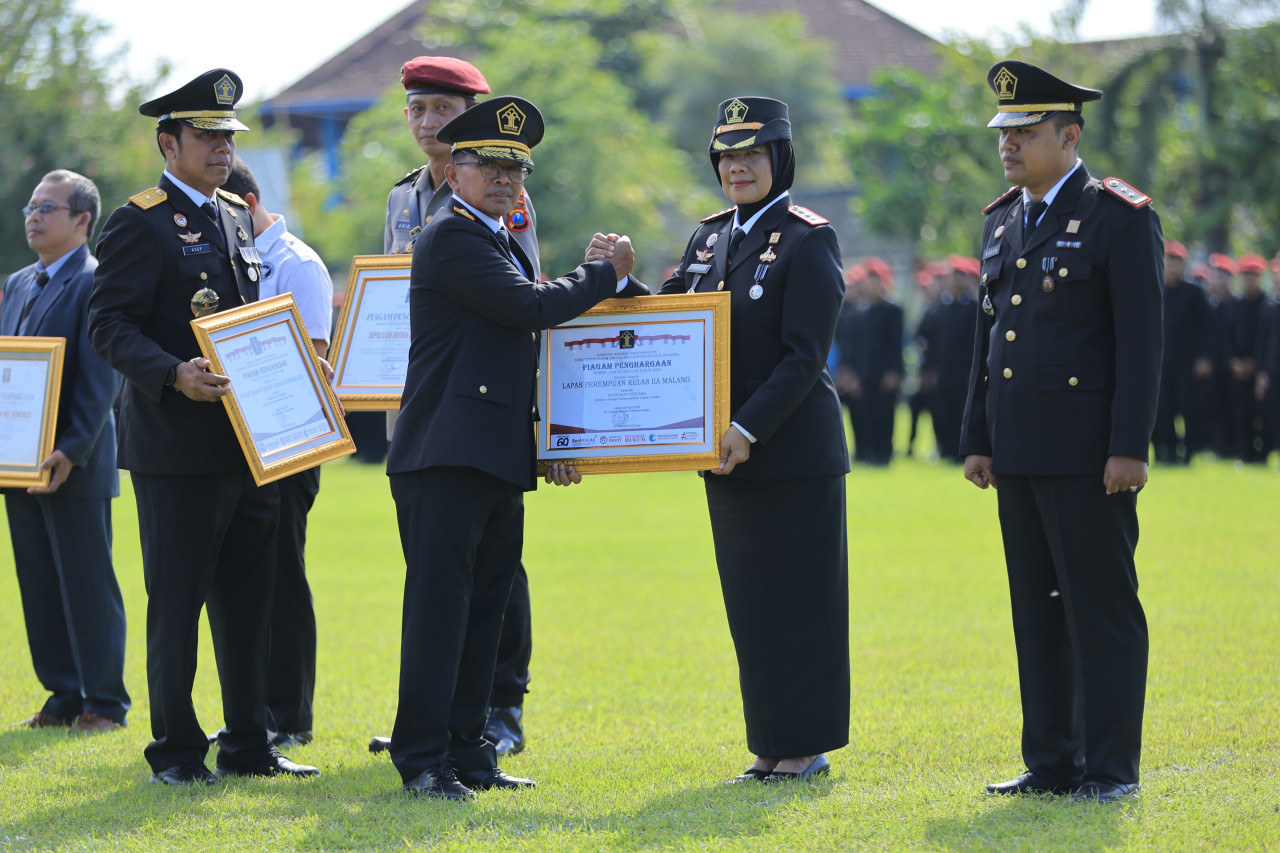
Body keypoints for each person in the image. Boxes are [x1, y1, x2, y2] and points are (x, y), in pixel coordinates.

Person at [385, 96, 640, 799]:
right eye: (488, 165)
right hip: (443, 453)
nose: (503, 179)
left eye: (515, 169)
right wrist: (603, 273)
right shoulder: (450, 235)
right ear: (456, 171)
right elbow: (531, 308)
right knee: (442, 614)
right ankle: (422, 756)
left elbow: (525, 338)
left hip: (490, 451)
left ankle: (469, 751)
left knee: (484, 613)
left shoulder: (492, 236)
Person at [88, 69, 318, 786]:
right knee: (179, 600)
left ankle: (250, 742)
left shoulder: (235, 215)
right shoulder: (138, 219)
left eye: (228, 136)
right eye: (207, 135)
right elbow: (107, 325)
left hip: (247, 443)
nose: (222, 148)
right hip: (176, 448)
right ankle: (178, 751)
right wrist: (171, 371)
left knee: (251, 599)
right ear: (169, 141)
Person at [961, 61, 1163, 804]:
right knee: (1037, 607)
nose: (1009, 144)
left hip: (1088, 453)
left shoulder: (1119, 214)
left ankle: (1110, 769)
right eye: (1005, 131)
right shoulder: (1003, 217)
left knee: (1099, 608)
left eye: (1025, 130)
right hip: (1018, 448)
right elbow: (990, 340)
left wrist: (1130, 445)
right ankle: (1051, 761)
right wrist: (976, 435)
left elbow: (1142, 343)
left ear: (1069, 135)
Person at [650, 96, 850, 783]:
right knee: (753, 604)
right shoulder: (706, 238)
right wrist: (614, 285)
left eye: (752, 154)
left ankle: (808, 744)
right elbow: (670, 322)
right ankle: (769, 744)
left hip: (790, 453)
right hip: (722, 455)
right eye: (727, 156)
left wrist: (746, 425)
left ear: (779, 159)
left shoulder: (807, 237)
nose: (738, 167)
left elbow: (804, 355)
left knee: (802, 602)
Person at [368, 54, 538, 759]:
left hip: (486, 415)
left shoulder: (502, 202)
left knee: (490, 581)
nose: (428, 123)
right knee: (442, 587)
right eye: (419, 110)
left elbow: (525, 305)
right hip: (430, 413)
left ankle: (494, 709)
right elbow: (387, 303)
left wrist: (541, 423)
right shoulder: (404, 199)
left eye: (443, 110)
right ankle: (436, 732)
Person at [4, 170, 129, 734]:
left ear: (82, 221)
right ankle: (62, 694)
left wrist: (71, 450)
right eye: (31, 206)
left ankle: (104, 702)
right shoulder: (16, 284)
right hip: (18, 460)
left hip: (73, 460)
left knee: (86, 582)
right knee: (38, 580)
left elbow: (101, 379)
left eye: (47, 208)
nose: (33, 216)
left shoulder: (96, 281)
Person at [220, 157, 333, 748]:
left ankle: (289, 715)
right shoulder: (234, 257)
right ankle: (252, 710)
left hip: (290, 438)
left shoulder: (298, 263)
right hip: (239, 439)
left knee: (282, 575)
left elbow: (315, 355)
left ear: (248, 202)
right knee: (246, 574)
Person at [1152, 241, 1208, 464]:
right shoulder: (1155, 290)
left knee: (1188, 407)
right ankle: (1167, 451)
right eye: (1169, 261)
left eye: (1177, 262)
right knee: (1162, 409)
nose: (1172, 266)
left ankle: (1189, 452)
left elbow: (1205, 327)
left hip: (1187, 361)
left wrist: (1204, 357)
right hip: (1160, 361)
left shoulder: (1194, 293)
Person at [1227, 254, 1269, 462]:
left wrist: (1255, 363)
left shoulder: (1267, 305)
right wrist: (1233, 361)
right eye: (1245, 276)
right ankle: (1244, 452)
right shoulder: (1236, 304)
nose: (1248, 280)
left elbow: (1267, 339)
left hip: (1259, 367)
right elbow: (1227, 335)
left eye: (1252, 276)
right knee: (1241, 412)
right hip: (1238, 368)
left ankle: (1263, 453)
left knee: (1262, 413)